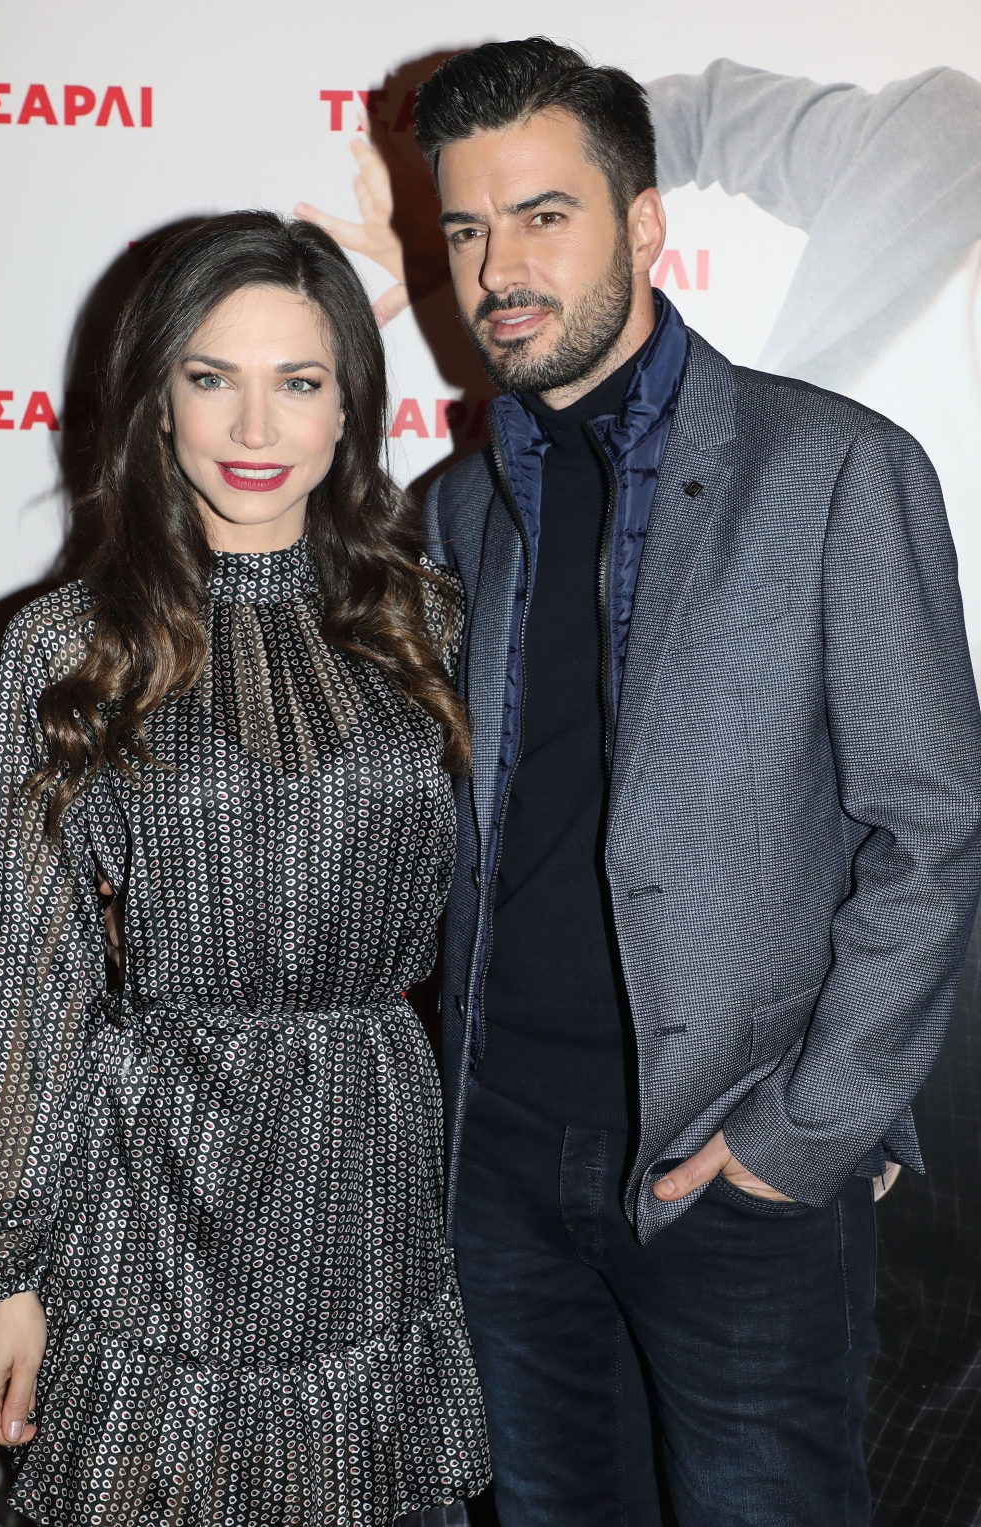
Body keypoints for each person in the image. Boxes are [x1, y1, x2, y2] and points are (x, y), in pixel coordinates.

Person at [404, 37, 981, 1527]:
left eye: (544, 215)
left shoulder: (836, 467)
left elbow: (930, 828)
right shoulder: (454, 511)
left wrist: (804, 1136)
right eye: (466, 229)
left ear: (645, 223)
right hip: (500, 1168)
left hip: (731, 1164)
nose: (498, 268)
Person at [0, 211, 489, 1527]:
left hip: (372, 1179)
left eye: (298, 382)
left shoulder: (431, 624)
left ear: (350, 408)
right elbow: (20, 982)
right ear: (158, 400)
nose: (255, 428)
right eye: (213, 378)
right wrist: (2, 1273)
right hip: (151, 1192)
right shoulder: (67, 646)